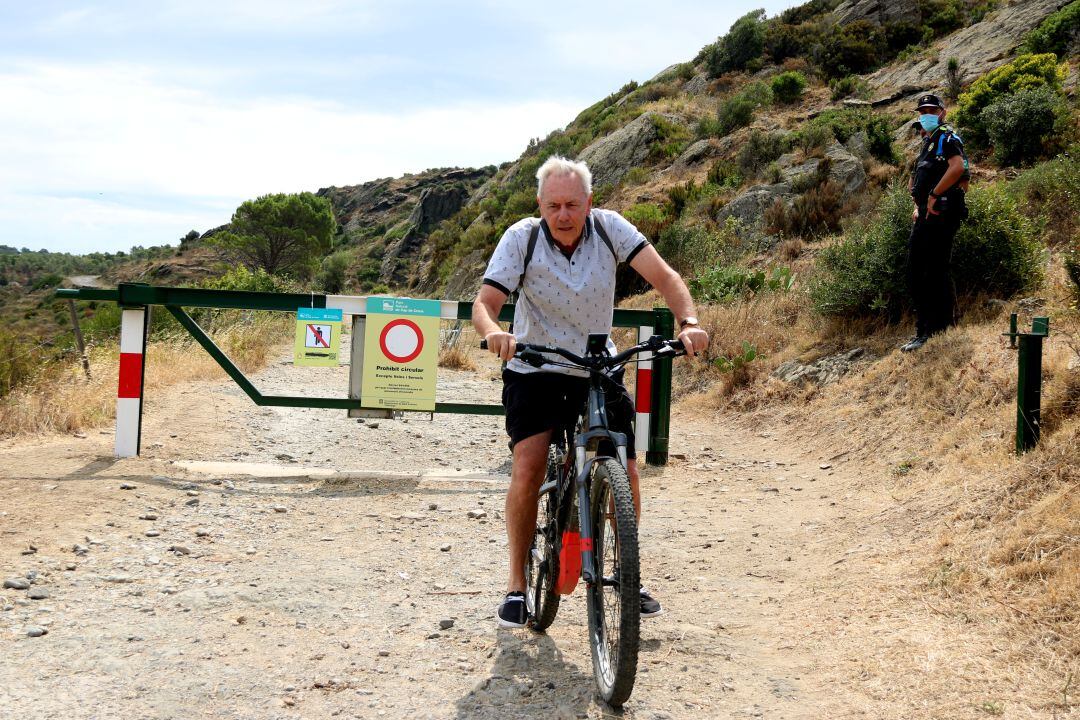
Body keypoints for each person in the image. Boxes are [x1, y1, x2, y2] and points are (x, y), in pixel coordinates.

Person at [472, 156, 710, 628]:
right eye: (554, 205)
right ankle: (516, 585)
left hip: (598, 364)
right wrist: (495, 333)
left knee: (626, 466)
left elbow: (666, 279)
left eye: (573, 205)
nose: (564, 215)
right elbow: (486, 302)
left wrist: (689, 322)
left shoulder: (610, 229)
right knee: (529, 462)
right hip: (536, 366)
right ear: (539, 204)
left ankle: (626, 571)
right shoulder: (522, 238)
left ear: (590, 203)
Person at [902, 93, 971, 353]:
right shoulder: (929, 143)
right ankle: (936, 327)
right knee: (922, 270)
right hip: (927, 213)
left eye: (931, 109)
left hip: (942, 213)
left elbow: (959, 172)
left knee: (929, 270)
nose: (925, 114)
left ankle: (931, 330)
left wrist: (934, 196)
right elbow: (917, 179)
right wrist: (919, 205)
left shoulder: (948, 138)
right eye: (922, 111)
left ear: (942, 112)